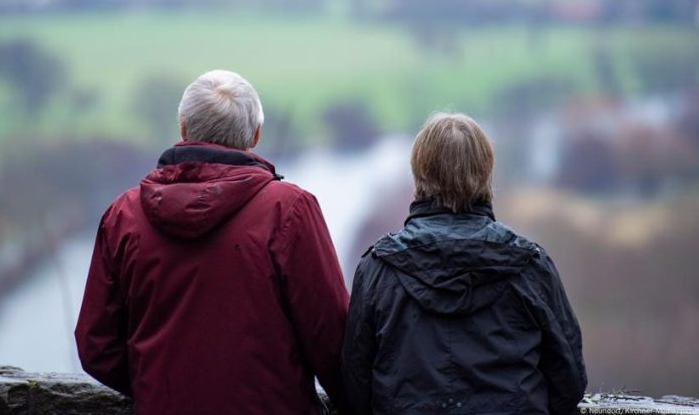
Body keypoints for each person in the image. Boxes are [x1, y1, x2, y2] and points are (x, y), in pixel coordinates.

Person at [75, 70, 349, 415]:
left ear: (184, 129)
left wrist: (162, 385)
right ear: (256, 134)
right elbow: (331, 339)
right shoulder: (288, 210)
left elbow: (96, 344)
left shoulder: (124, 216)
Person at [342, 112, 587, 415]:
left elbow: (354, 387)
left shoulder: (379, 270)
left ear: (419, 174)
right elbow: (569, 382)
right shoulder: (530, 266)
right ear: (486, 172)